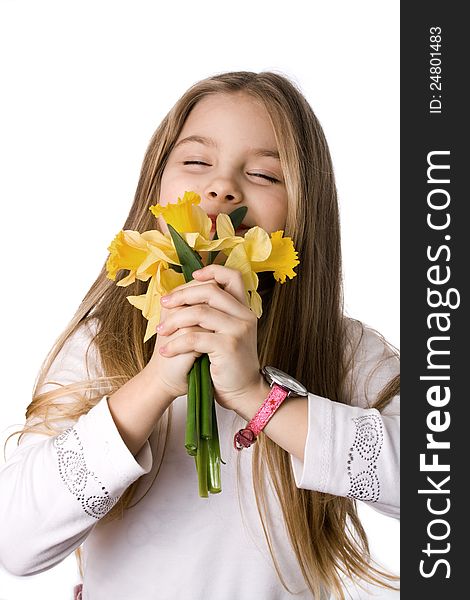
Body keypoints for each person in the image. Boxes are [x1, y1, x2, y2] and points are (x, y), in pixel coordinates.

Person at [0, 71, 400, 600]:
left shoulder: (344, 351)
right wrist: (157, 380)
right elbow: (16, 543)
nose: (222, 187)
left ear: (305, 212)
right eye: (195, 162)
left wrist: (257, 398)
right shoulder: (103, 345)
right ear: (155, 189)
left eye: (264, 173)